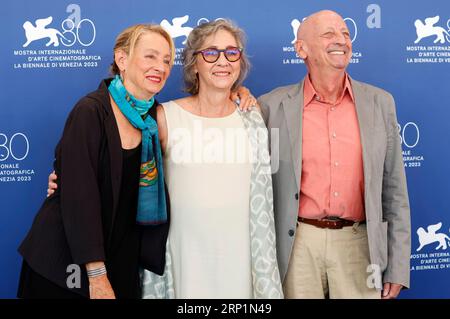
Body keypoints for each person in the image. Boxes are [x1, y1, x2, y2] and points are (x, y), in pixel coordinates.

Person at [257, 10, 411, 299]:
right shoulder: (271, 106)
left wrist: (398, 266)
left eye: (345, 34)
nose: (341, 40)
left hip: (360, 246)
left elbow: (395, 192)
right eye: (328, 34)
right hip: (297, 245)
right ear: (301, 49)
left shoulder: (380, 103)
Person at [17, 24, 175, 299]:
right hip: (64, 267)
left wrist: (238, 95)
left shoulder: (154, 119)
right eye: (150, 56)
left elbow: (205, 108)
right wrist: (97, 276)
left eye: (166, 60)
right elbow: (80, 199)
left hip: (119, 261)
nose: (160, 67)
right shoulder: (90, 111)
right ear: (122, 59)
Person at [141, 19, 283, 298]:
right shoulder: (164, 117)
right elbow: (131, 177)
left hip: (240, 257)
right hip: (184, 255)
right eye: (211, 53)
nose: (223, 61)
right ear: (194, 64)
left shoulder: (253, 117)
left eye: (232, 53)